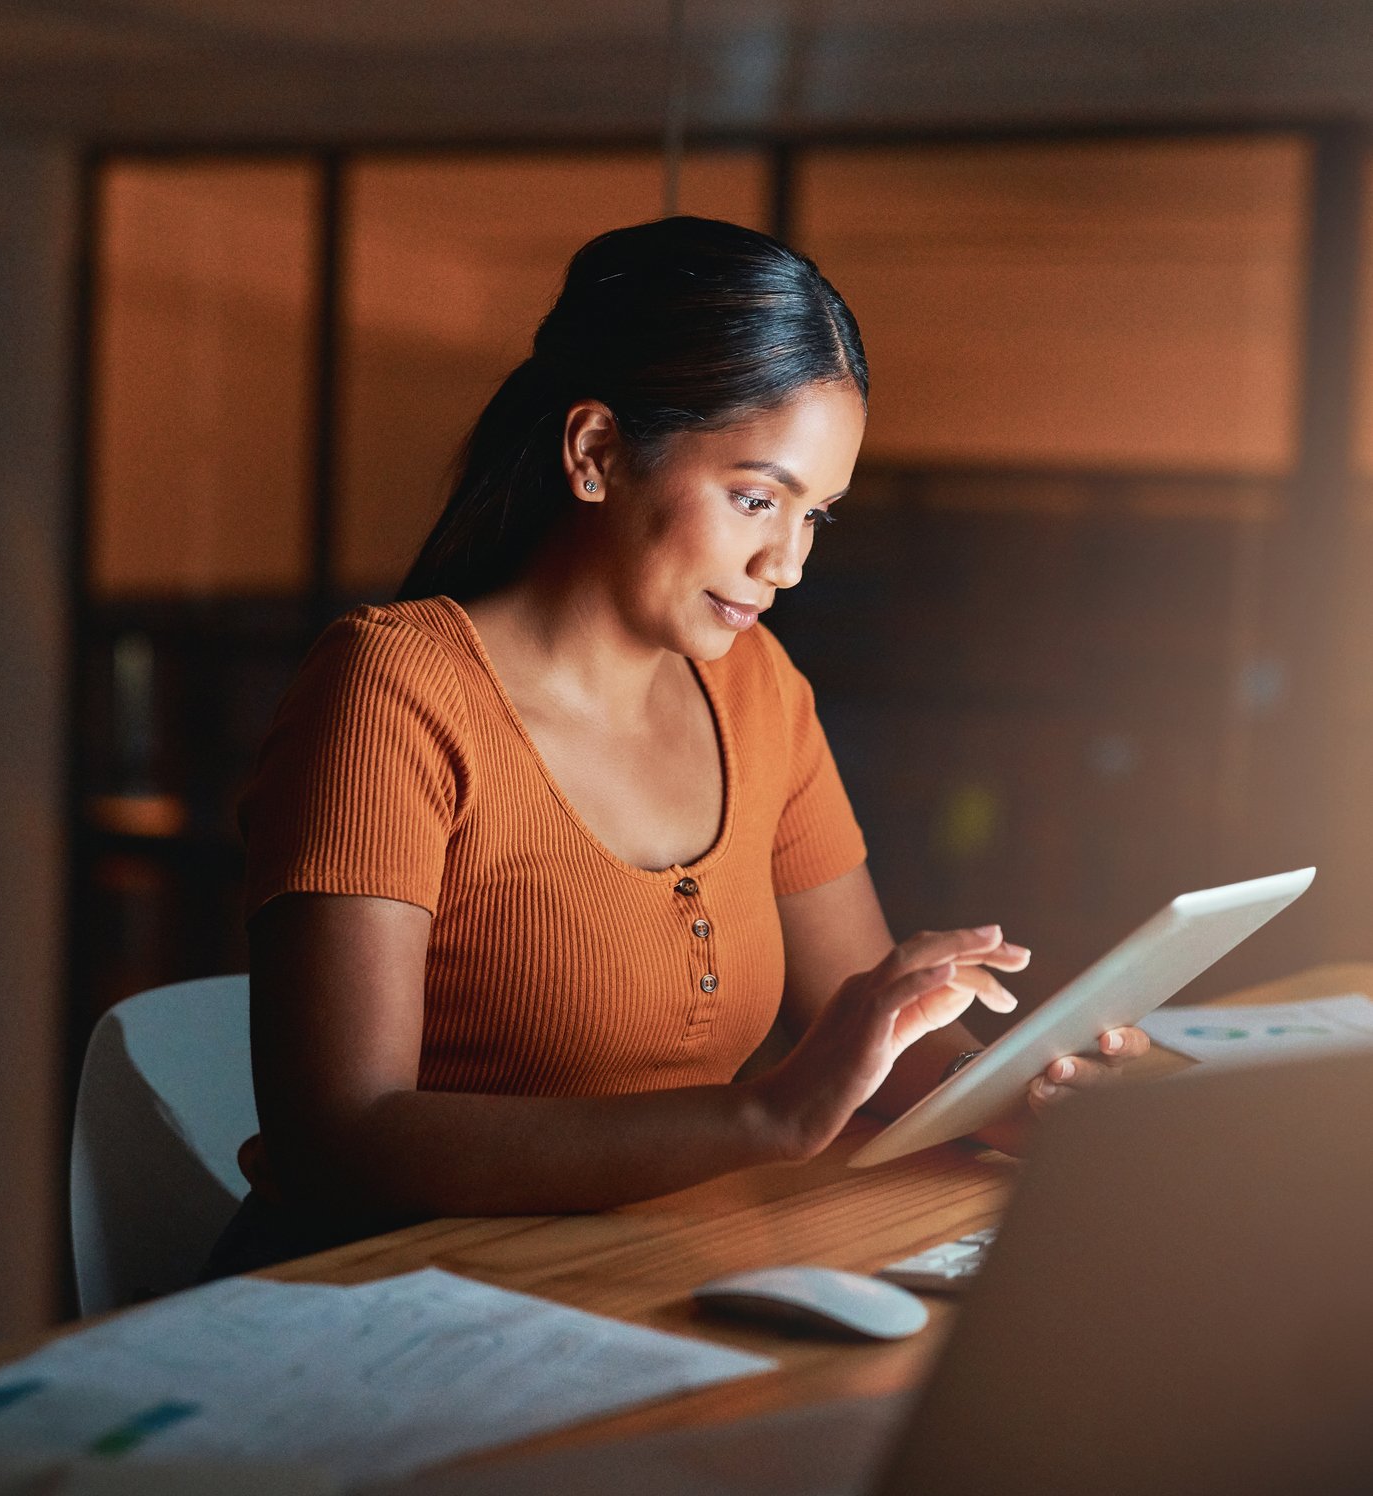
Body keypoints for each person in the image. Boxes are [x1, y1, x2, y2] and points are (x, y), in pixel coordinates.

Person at [206, 216, 1149, 1277]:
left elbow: (873, 1059)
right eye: (755, 498)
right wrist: (759, 1119)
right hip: (381, 1309)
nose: (783, 562)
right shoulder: (391, 690)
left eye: (815, 518)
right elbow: (335, 1137)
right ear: (595, 452)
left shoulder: (758, 693)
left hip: (630, 1281)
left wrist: (1018, 1095)